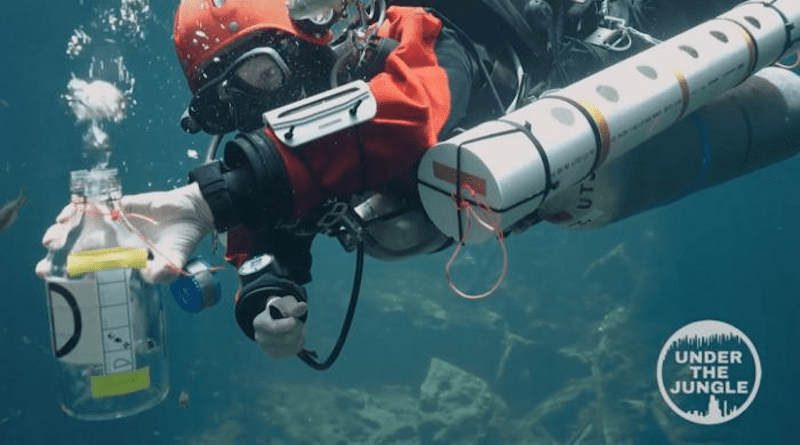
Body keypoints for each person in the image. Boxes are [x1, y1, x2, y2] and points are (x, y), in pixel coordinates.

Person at [36, 0, 800, 361]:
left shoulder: (417, 37)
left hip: (627, 27)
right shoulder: (293, 148)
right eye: (241, 102)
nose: (272, 108)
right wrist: (266, 292)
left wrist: (206, 200)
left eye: (267, 74)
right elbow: (278, 219)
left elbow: (406, 113)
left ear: (317, 32)